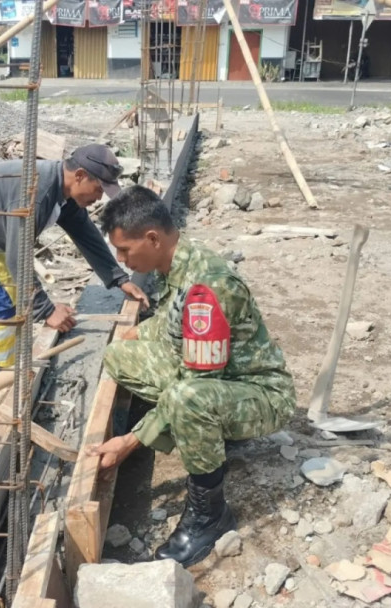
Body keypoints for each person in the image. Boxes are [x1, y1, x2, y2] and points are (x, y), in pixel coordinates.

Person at [87, 186, 296, 567]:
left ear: (152, 238)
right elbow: (170, 324)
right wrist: (136, 333)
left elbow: (193, 385)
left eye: (125, 250)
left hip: (259, 393)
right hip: (219, 379)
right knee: (118, 356)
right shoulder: (177, 262)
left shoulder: (206, 287)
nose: (122, 260)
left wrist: (130, 442)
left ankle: (209, 515)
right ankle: (201, 432)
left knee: (186, 401)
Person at [0, 144, 150, 371]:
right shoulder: (37, 193)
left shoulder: (61, 189)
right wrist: (47, 311)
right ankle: (6, 376)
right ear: (79, 176)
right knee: (5, 303)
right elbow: (18, 258)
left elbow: (86, 234)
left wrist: (119, 278)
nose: (99, 197)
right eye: (99, 189)